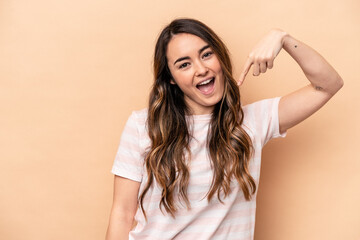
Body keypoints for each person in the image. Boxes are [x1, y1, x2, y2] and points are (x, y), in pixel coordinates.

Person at [105, 18, 343, 240]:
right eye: (184, 64)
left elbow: (327, 85)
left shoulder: (253, 121)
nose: (201, 69)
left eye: (206, 54)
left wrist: (282, 37)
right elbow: (123, 213)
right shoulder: (142, 126)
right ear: (171, 79)